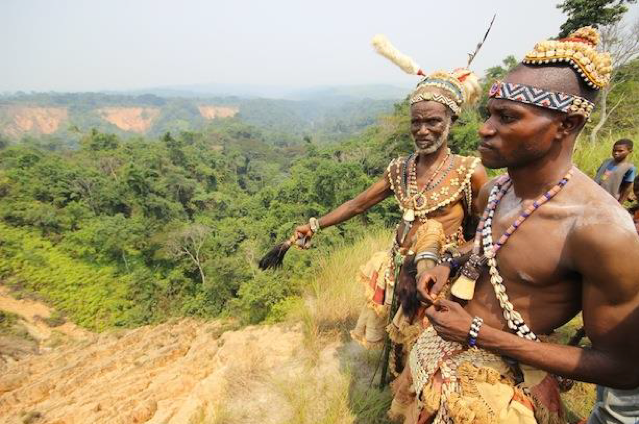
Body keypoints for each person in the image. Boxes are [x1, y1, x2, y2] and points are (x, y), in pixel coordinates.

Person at [389, 27, 639, 424]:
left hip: (499, 395)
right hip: (440, 359)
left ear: (567, 125)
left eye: (507, 117)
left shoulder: (601, 231)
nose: (485, 129)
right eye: (489, 114)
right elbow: (493, 243)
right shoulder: (496, 191)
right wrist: (449, 263)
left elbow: (624, 367)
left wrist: (476, 334)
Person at [292, 35, 488, 372]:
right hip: (400, 268)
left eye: (433, 122)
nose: (423, 130)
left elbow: (484, 233)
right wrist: (314, 225)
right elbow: (357, 204)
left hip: (440, 276)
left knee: (429, 345)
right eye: (416, 122)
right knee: (398, 340)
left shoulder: (469, 171)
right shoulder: (400, 169)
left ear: (451, 123)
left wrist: (451, 264)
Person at [594, 138, 636, 204]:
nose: (616, 153)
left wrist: (620, 203)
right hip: (594, 194)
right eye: (614, 150)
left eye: (620, 151)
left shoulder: (629, 168)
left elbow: (628, 187)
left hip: (610, 200)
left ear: (630, 151)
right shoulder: (607, 161)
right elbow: (604, 176)